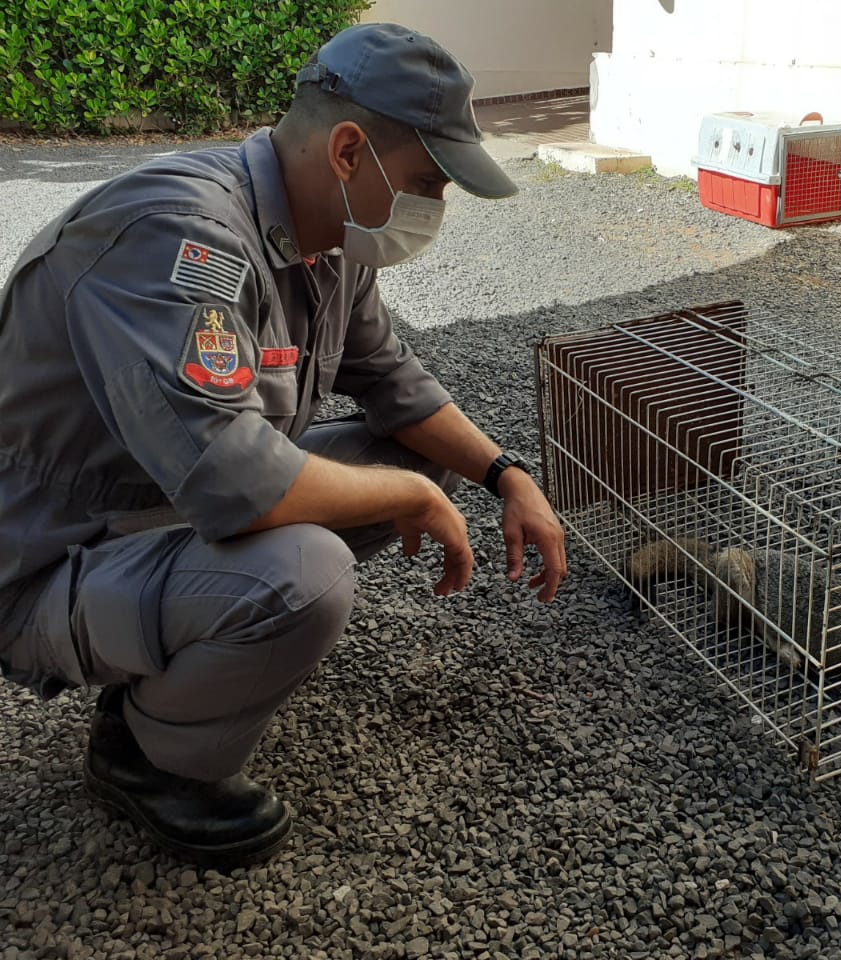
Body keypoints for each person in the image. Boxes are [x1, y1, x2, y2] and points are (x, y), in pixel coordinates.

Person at [0, 22, 567, 867]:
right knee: (306, 571)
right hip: (50, 560)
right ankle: (146, 758)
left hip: (154, 514)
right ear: (348, 152)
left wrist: (501, 474)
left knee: (406, 455)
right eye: (427, 183)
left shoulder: (327, 240)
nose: (435, 210)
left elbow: (392, 381)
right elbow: (237, 480)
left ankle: (173, 665)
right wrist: (417, 498)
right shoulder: (175, 236)